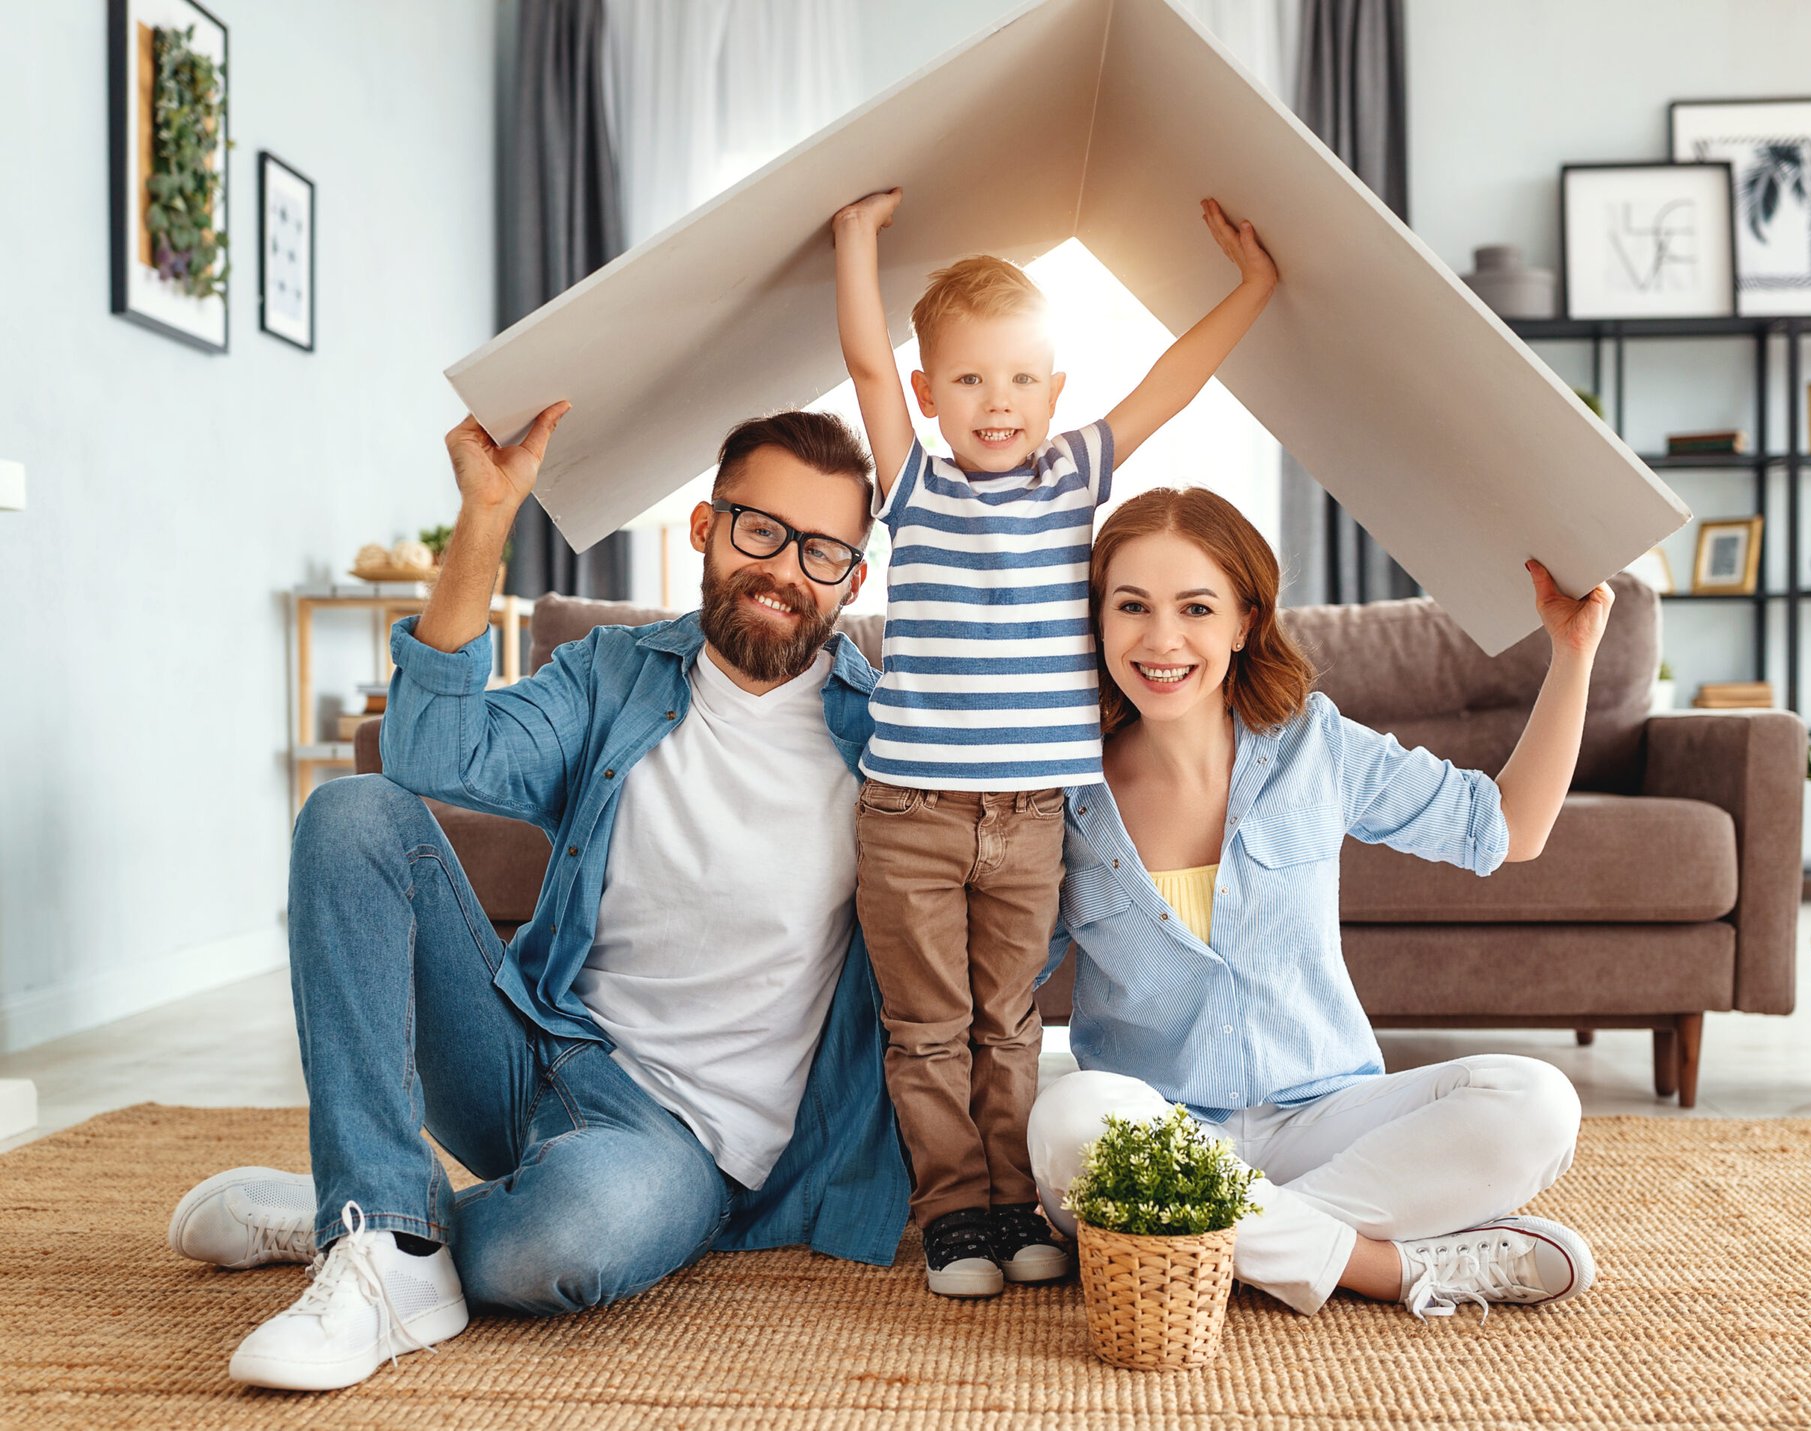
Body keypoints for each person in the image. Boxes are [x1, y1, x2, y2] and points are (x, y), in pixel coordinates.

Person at [166, 405, 910, 1390]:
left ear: (854, 578)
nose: (785, 570)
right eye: (760, 529)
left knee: (558, 1248)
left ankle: (365, 1213)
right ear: (706, 528)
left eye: (822, 552)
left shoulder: (887, 735)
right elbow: (432, 752)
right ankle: (383, 1235)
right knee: (350, 816)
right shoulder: (617, 675)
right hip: (528, 1057)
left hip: (678, 1143)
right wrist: (487, 514)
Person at [830, 187, 1278, 1297]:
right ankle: (951, 1219)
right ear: (933, 393)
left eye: (1023, 377)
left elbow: (1170, 385)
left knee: (1011, 1029)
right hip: (911, 819)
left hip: (1033, 819)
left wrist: (1252, 287)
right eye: (971, 379)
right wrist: (854, 244)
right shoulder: (913, 482)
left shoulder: (1075, 475)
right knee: (927, 1031)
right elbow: (868, 368)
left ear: (1056, 391)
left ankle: (1016, 1205)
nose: (998, 402)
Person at [1029, 486, 1613, 1322]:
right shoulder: (1062, 795)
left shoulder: (1314, 744)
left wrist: (1573, 650)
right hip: (1161, 1134)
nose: (1161, 639)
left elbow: (1508, 828)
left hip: (1327, 1120)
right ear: (1098, 620)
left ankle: (1213, 1246)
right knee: (1070, 1115)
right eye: (1132, 606)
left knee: (1537, 1100)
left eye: (1196, 607)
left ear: (1243, 622)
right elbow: (999, 990)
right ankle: (1389, 1269)